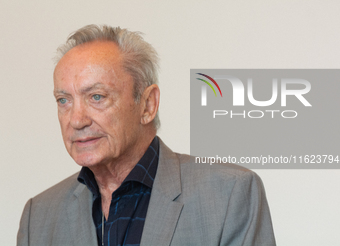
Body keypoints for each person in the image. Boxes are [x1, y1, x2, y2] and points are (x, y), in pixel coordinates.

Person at [17, 24, 276, 246]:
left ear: (148, 105)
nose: (76, 119)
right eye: (64, 100)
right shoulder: (37, 217)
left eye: (97, 97)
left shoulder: (230, 194)